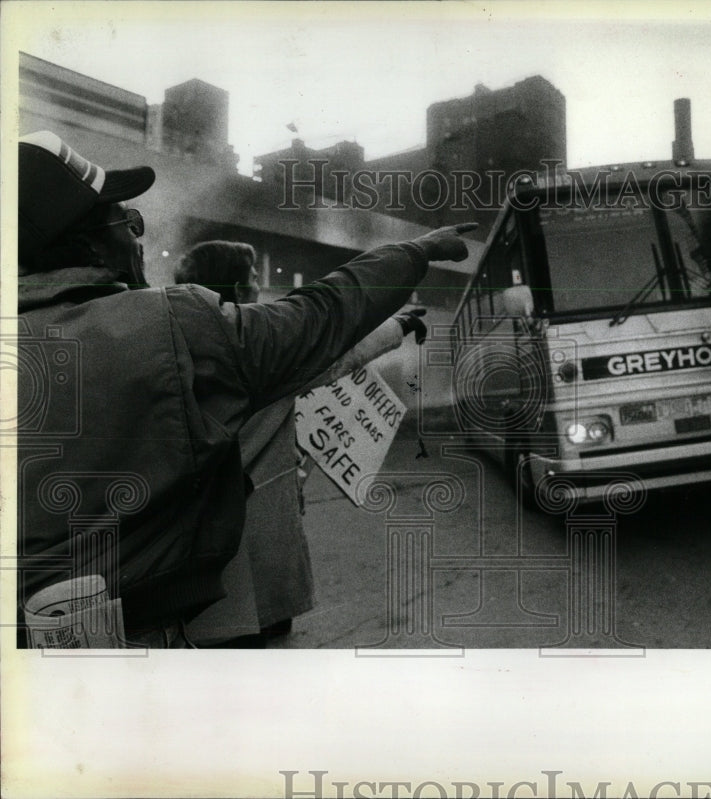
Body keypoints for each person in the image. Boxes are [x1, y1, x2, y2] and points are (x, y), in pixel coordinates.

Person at [16, 130, 474, 647]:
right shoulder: (179, 329)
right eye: (130, 222)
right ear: (90, 239)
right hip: (169, 626)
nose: (138, 240)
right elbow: (319, 325)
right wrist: (415, 251)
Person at [174, 241, 426, 646]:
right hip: (254, 549)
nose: (260, 286)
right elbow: (337, 355)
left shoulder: (171, 348)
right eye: (254, 278)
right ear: (238, 292)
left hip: (189, 559)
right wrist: (398, 327)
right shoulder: (261, 352)